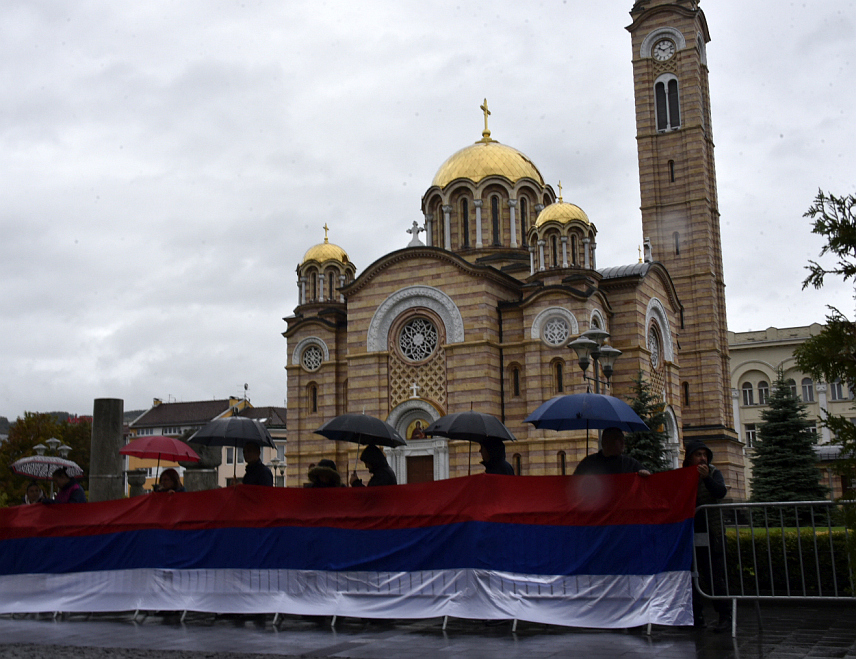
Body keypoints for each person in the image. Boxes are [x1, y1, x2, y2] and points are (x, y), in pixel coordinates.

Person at [684, 439, 730, 633]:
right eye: (698, 454)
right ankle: (696, 616)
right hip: (689, 534)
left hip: (711, 533)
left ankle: (725, 616)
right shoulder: (683, 475)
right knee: (691, 578)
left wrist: (706, 479)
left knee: (714, 577)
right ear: (690, 457)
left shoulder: (713, 472)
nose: (702, 458)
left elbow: (720, 492)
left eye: (704, 454)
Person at [573, 426, 652, 476]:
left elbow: (647, 477)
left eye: (623, 439)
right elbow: (575, 484)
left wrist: (644, 473)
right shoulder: (588, 463)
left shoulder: (630, 464)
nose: (623, 443)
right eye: (618, 439)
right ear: (605, 442)